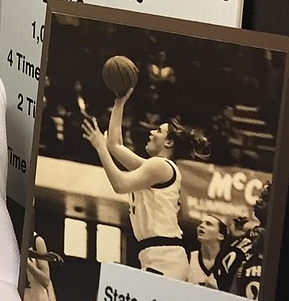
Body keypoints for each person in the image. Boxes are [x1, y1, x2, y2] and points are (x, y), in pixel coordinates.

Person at [81, 83, 209, 281]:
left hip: (165, 257)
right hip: (156, 254)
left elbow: (120, 184)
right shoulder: (154, 167)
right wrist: (119, 102)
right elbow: (115, 145)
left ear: (169, 143)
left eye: (158, 131)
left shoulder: (160, 166)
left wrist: (100, 149)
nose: (151, 132)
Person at [214, 182, 269, 299]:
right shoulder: (249, 233)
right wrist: (232, 238)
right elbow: (221, 268)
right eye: (260, 197)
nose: (258, 201)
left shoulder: (269, 241)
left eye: (265, 199)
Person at [187, 213, 227, 288]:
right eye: (201, 223)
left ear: (220, 236)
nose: (201, 226)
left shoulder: (227, 262)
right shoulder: (188, 258)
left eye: (208, 224)